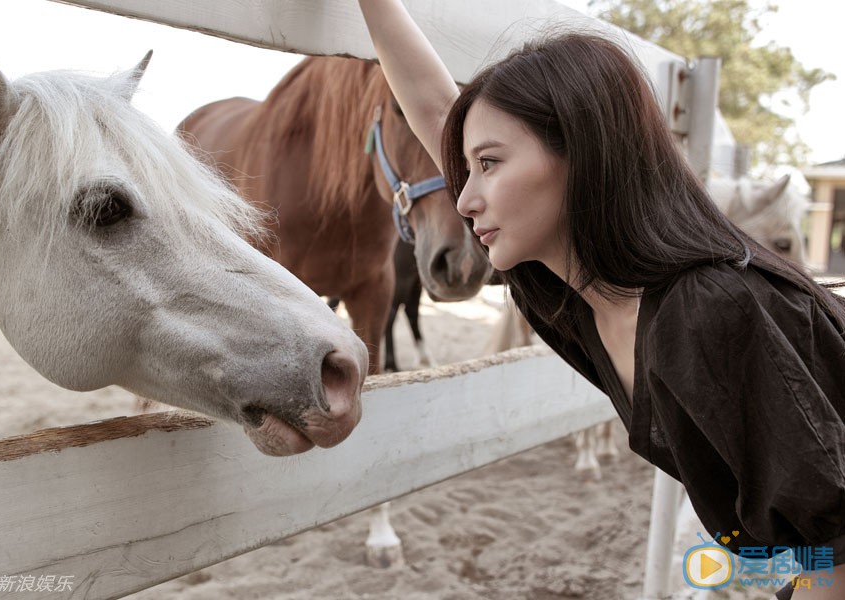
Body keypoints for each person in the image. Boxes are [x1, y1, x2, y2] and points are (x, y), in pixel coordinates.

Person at [356, 1, 845, 598]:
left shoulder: (708, 309)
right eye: (466, 168)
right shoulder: (571, 298)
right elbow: (435, 110)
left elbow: (837, 553)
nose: (463, 201)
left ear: (583, 154)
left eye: (488, 164)